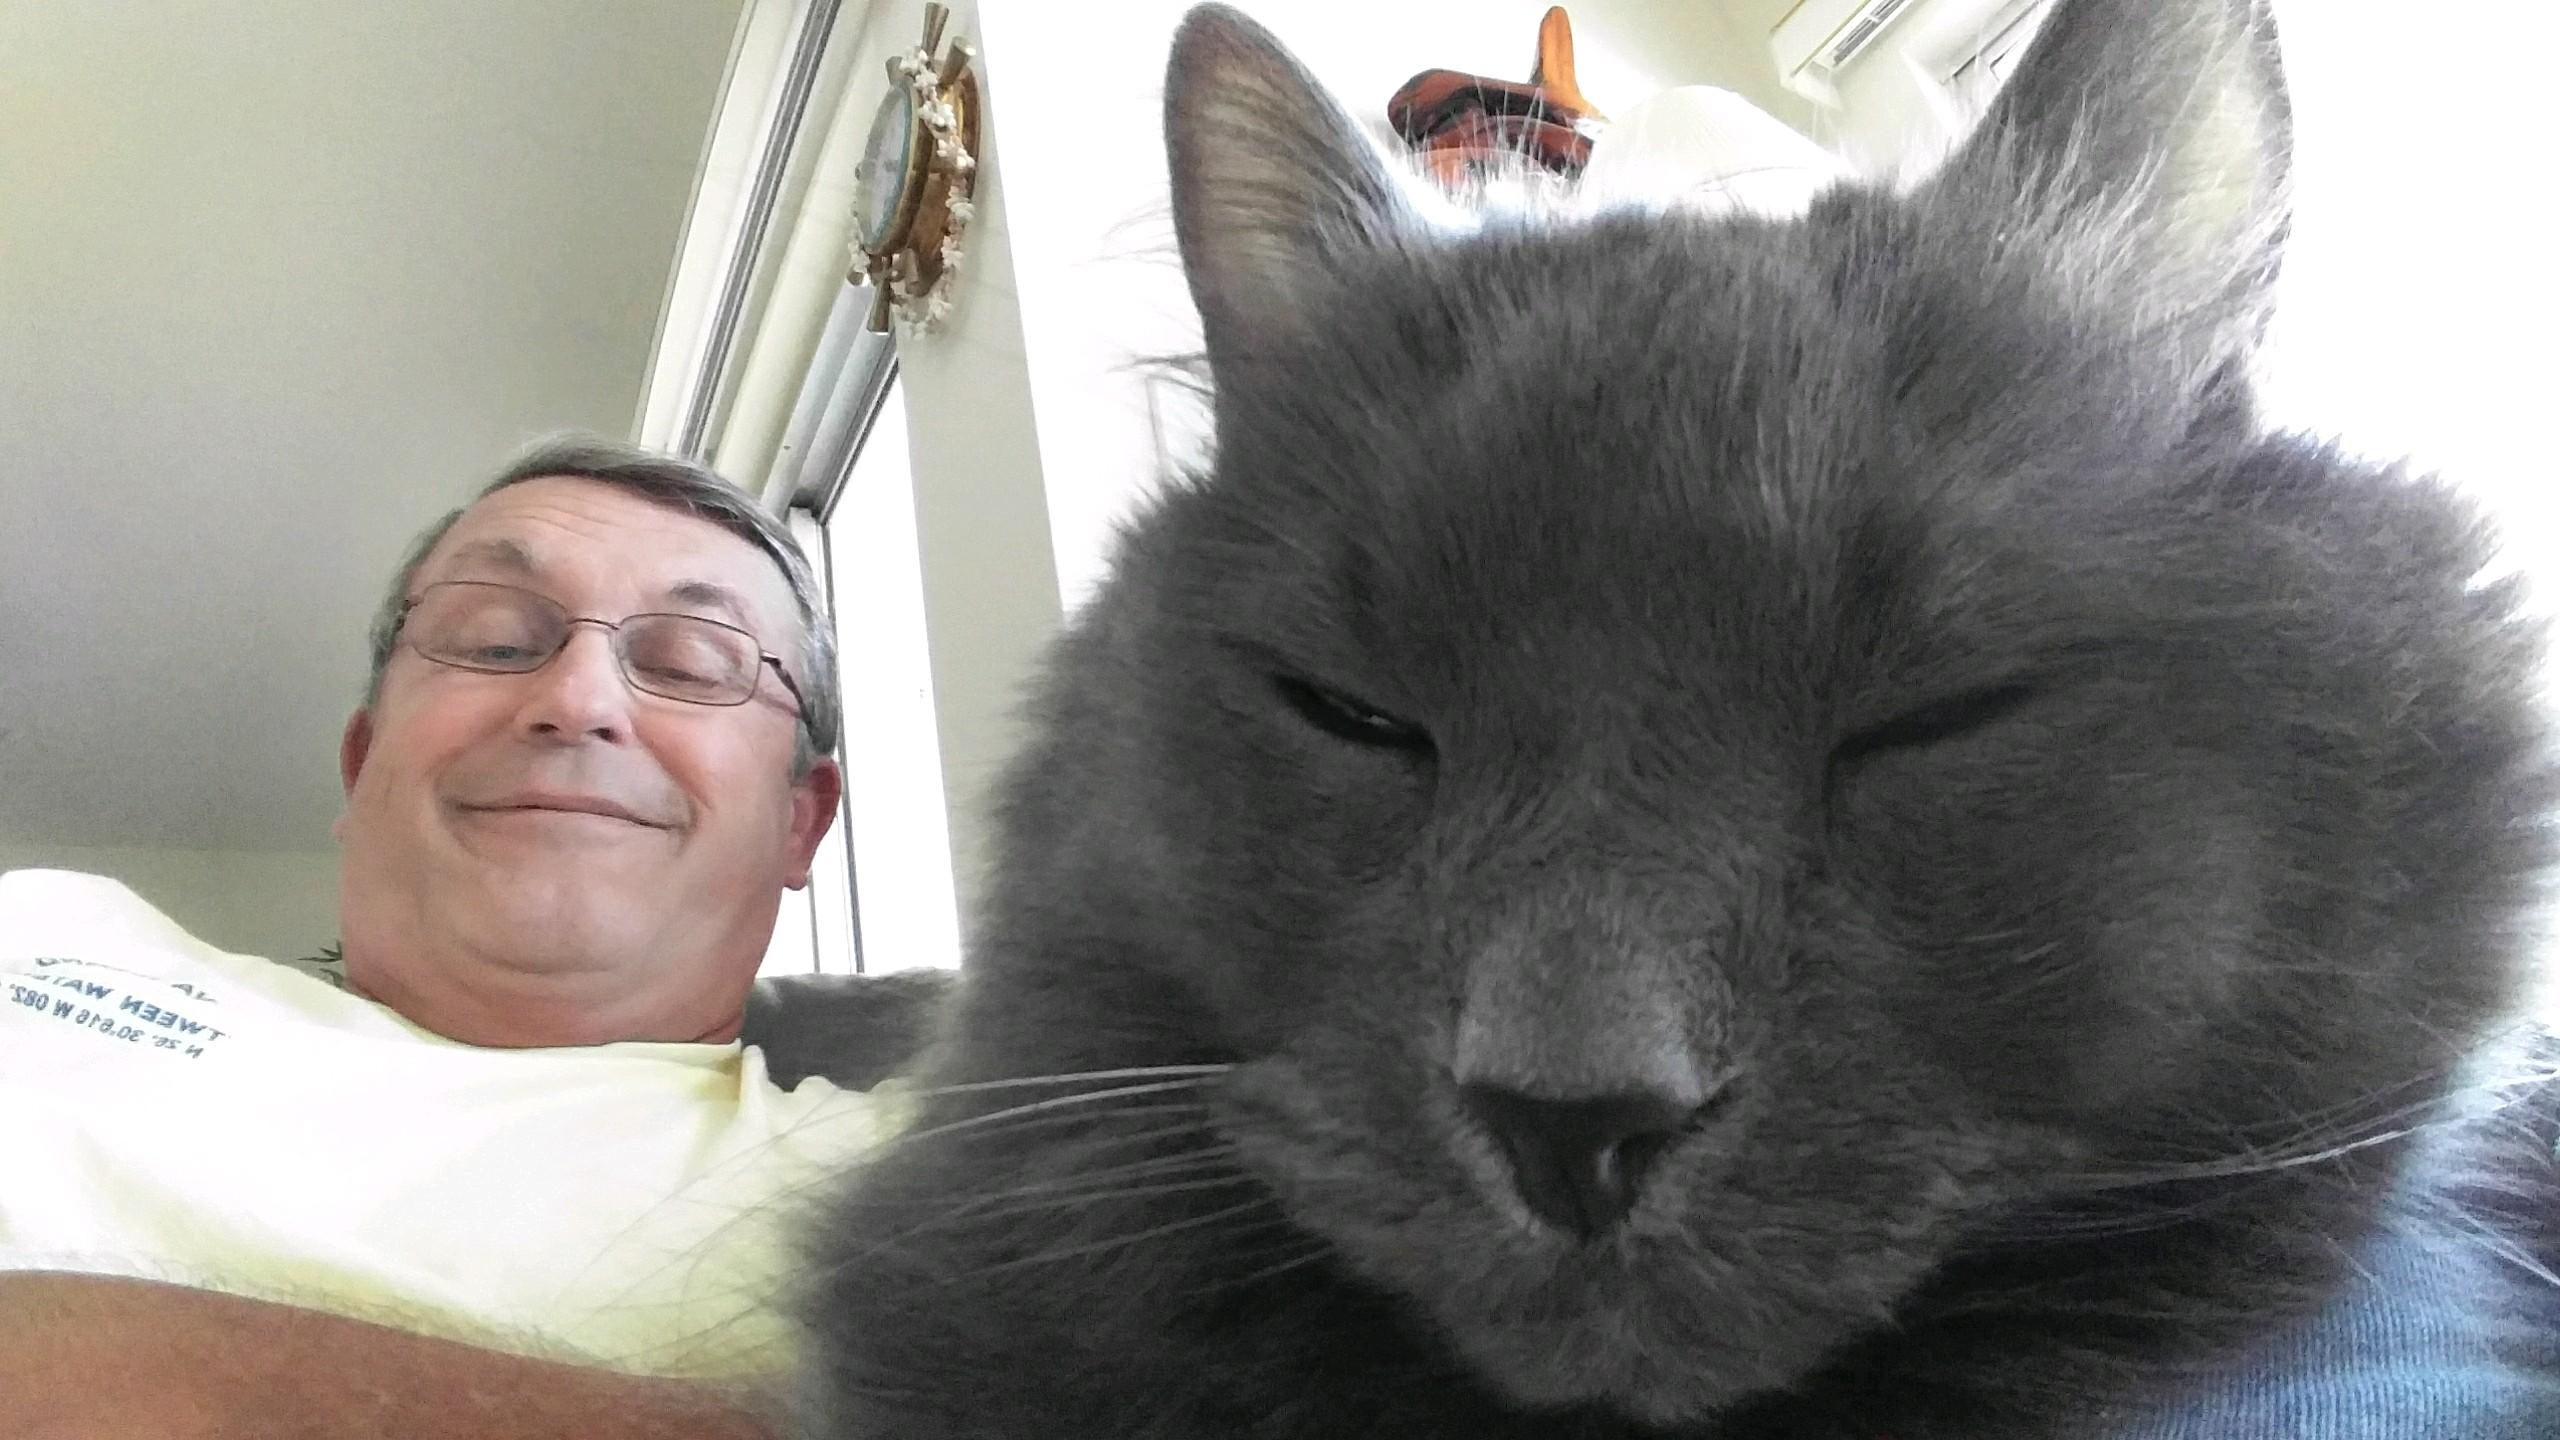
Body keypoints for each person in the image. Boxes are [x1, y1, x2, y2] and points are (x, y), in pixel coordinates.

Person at [0, 437, 901, 1439]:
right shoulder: (47, 927)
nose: (577, 702)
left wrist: (132, 1372)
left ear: (799, 823)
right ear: (362, 763)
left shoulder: (922, 1177)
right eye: (494, 643)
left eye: (691, 663)